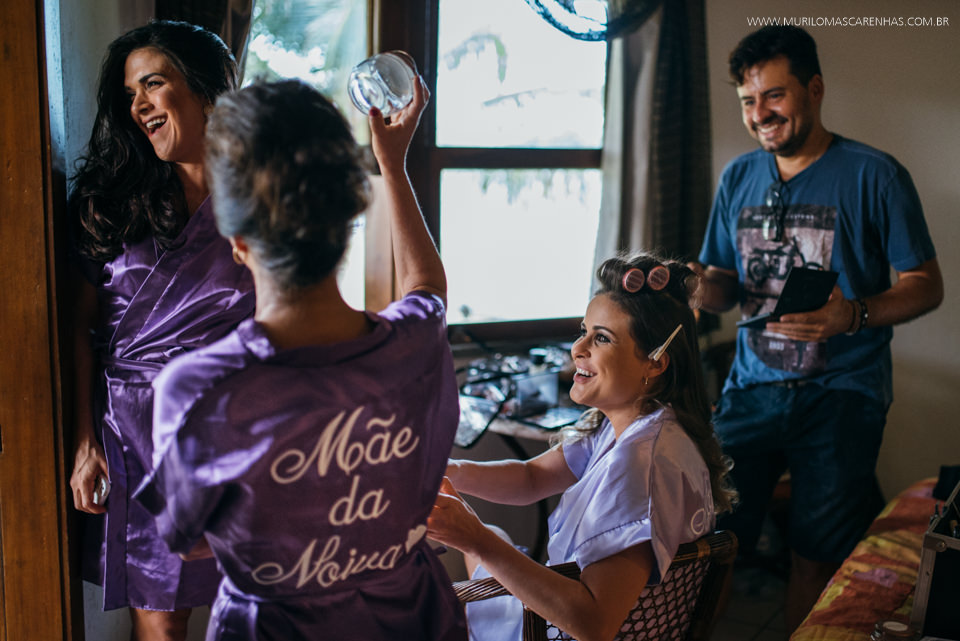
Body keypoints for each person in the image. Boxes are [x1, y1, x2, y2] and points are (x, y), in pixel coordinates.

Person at [134, 77, 467, 640]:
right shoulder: (417, 345)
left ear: (235, 237)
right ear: (346, 224)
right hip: (416, 620)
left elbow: (187, 540)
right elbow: (426, 284)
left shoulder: (198, 390)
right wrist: (393, 164)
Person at [690, 25, 943, 631]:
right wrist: (698, 286)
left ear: (815, 89)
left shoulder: (875, 175)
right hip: (749, 391)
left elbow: (925, 285)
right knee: (707, 545)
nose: (760, 114)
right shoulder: (738, 178)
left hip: (843, 395)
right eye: (748, 101)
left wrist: (850, 315)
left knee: (818, 551)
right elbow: (724, 285)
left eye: (774, 96)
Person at [427, 253, 737, 641]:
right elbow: (531, 477)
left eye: (602, 338)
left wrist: (474, 538)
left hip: (560, 628)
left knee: (437, 595)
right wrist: (444, 471)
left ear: (656, 363)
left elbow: (594, 624)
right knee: (489, 535)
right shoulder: (637, 425)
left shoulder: (640, 466)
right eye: (584, 330)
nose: (578, 348)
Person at [68, 20, 255, 641]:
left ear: (206, 90)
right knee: (164, 624)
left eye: (153, 83)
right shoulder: (112, 201)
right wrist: (84, 440)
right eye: (129, 94)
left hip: (245, 431)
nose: (139, 104)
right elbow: (77, 331)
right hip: (142, 432)